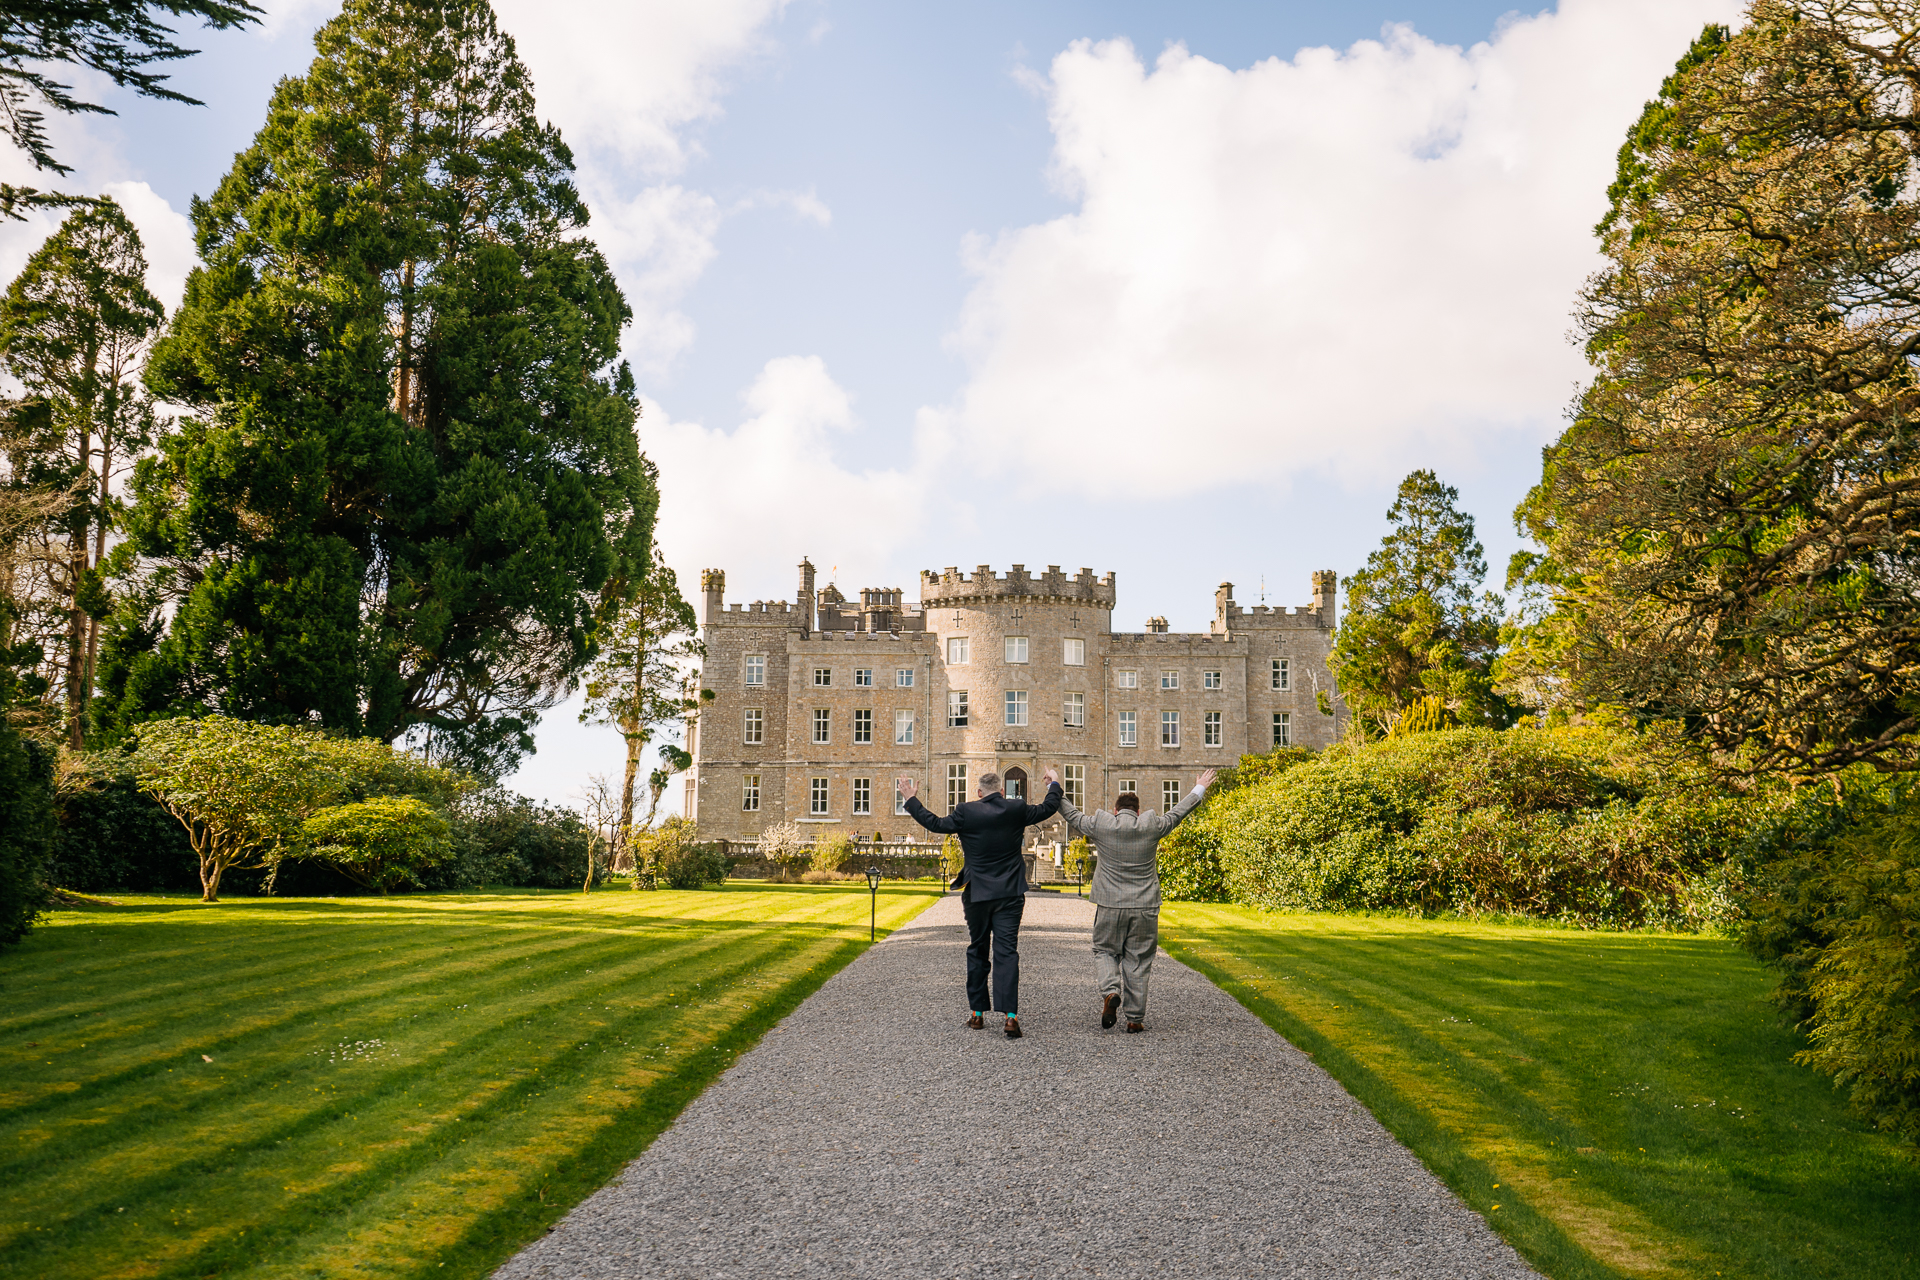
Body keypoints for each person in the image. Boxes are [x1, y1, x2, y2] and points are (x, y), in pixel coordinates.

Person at [897, 768, 1062, 1039]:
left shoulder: (966, 811)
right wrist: (1054, 782)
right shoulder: (1016, 808)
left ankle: (977, 1013)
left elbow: (936, 824)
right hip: (1010, 894)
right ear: (1000, 791)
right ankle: (1010, 1017)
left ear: (979, 793)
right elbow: (1048, 807)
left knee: (978, 949)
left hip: (977, 894)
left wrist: (912, 800)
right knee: (1007, 952)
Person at [1059, 770, 1217, 1033]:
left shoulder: (1102, 823)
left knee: (1105, 951)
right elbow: (1178, 813)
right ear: (1138, 810)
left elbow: (1072, 815)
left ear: (1115, 810)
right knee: (1139, 960)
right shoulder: (1151, 825)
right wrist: (1198, 788)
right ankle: (1134, 1019)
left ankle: (1110, 992)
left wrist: (1055, 785)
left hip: (1109, 905)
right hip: (1144, 906)